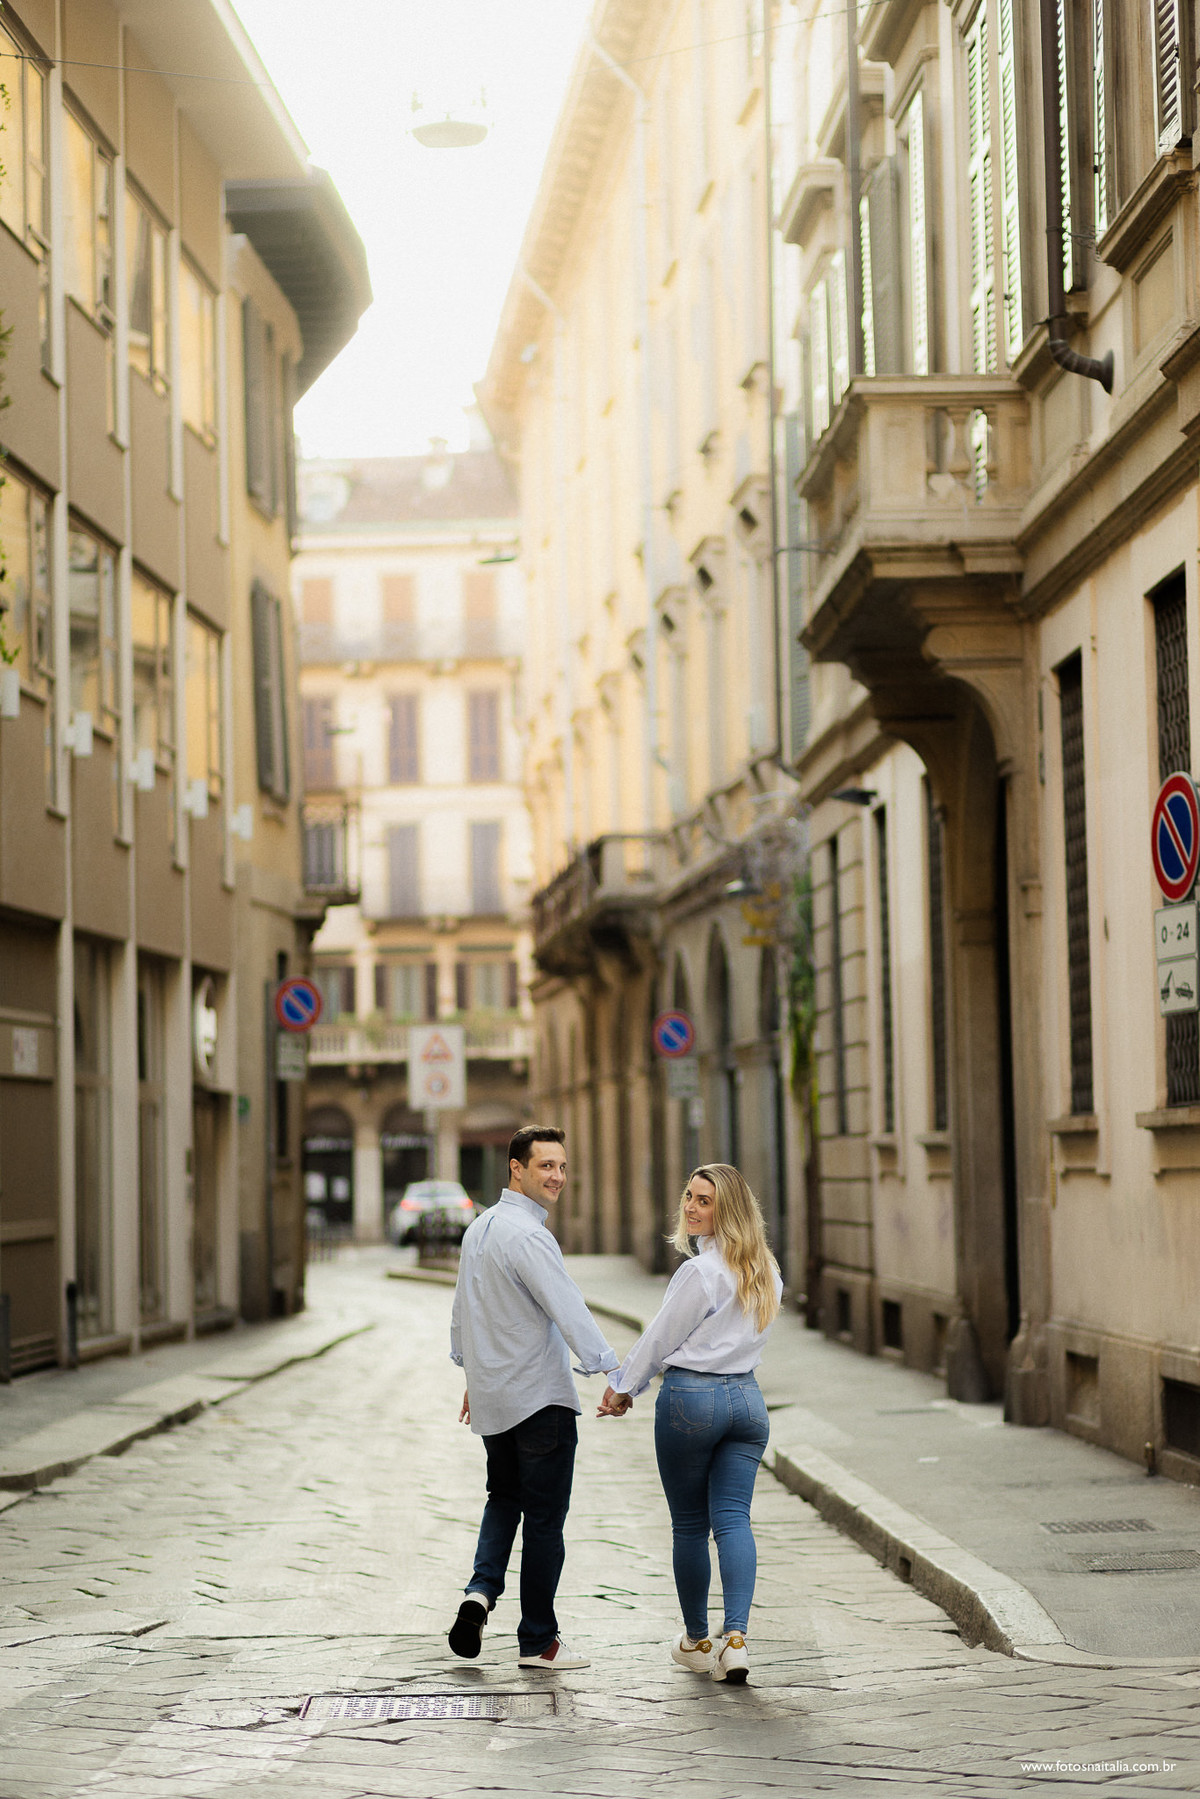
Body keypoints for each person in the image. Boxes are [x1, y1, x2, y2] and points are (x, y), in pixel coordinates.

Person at [598, 1163, 782, 1685]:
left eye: (704, 1200)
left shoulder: (699, 1274)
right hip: (747, 1403)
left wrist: (622, 1388)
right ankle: (737, 1639)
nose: (691, 1207)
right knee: (734, 1520)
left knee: (689, 1525)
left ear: (728, 1210)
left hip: (691, 1401)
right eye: (689, 1196)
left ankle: (700, 1640)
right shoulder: (766, 1268)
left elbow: (659, 1337)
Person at [448, 1125, 619, 1671]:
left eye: (563, 1166)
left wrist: (473, 1374)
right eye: (546, 1166)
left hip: (495, 1400)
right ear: (515, 1169)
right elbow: (568, 1308)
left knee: (503, 1498)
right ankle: (538, 1641)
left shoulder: (478, 1230)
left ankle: (479, 1592)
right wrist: (611, 1371)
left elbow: (462, 1316)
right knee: (545, 1520)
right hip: (540, 1401)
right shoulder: (529, 1236)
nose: (558, 1177)